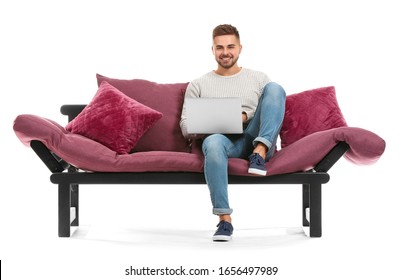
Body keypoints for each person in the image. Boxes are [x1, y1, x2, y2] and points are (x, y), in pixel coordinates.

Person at [180, 24, 286, 241]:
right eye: (219, 47)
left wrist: (245, 117)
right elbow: (185, 126)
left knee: (275, 88)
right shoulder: (198, 85)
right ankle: (224, 220)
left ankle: (260, 151)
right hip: (227, 142)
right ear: (212, 50)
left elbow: (273, 109)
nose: (225, 52)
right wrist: (223, 120)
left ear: (240, 48)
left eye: (230, 46)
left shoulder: (258, 78)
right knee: (212, 143)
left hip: (256, 138)